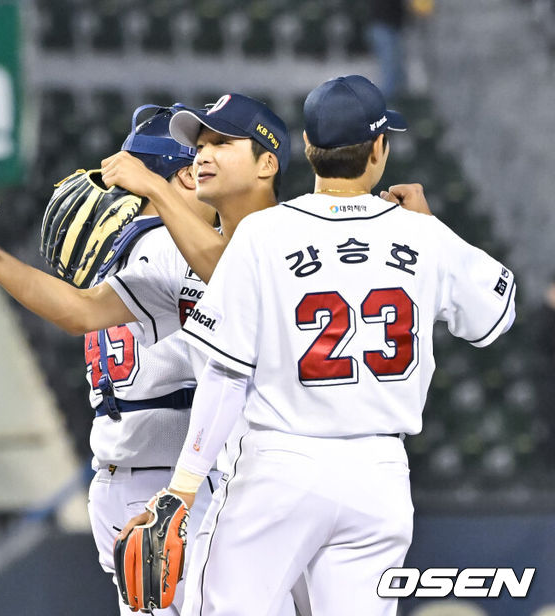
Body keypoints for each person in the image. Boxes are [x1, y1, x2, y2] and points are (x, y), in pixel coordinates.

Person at [120, 75, 517, 615]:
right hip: (379, 477)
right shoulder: (424, 235)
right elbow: (496, 313)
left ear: (307, 148)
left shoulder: (263, 234)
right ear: (380, 149)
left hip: (280, 467)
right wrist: (429, 229)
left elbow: (226, 376)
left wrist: (182, 488)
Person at [0, 99, 284, 615]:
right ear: (185, 178)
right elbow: (237, 275)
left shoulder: (133, 249)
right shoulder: (168, 246)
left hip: (127, 477)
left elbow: (80, 312)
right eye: (197, 158)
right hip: (169, 480)